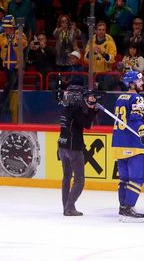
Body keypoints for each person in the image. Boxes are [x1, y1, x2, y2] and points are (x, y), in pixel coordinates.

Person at [111, 71, 144, 222]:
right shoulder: (138, 98)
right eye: (139, 81)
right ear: (131, 83)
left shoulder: (120, 98)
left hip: (119, 142)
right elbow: (135, 118)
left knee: (125, 179)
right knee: (138, 177)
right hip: (133, 143)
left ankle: (123, 207)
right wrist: (143, 130)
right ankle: (128, 207)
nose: (142, 84)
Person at [57, 85, 99, 216]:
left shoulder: (65, 108)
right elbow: (86, 124)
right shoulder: (76, 109)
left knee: (67, 177)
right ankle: (69, 207)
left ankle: (66, 205)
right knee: (79, 180)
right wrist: (92, 110)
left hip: (62, 146)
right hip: (73, 147)